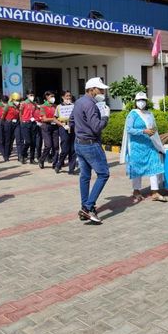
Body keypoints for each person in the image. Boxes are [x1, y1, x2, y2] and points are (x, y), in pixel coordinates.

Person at [71, 77, 111, 224]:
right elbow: (97, 127)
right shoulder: (91, 104)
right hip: (90, 144)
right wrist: (105, 117)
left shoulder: (79, 102)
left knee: (85, 176)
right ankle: (87, 208)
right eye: (100, 89)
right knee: (103, 174)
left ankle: (85, 206)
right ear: (92, 89)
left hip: (79, 143)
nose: (102, 91)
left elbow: (71, 121)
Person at [121, 92, 167, 203]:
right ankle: (136, 191)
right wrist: (143, 131)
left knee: (154, 167)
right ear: (135, 102)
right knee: (137, 169)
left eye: (143, 100)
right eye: (139, 100)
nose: (141, 102)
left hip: (149, 145)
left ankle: (155, 192)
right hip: (136, 147)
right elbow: (129, 130)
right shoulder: (132, 114)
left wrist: (153, 131)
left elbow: (153, 127)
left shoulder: (149, 114)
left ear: (146, 102)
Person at [55, 91, 77, 174]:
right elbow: (55, 118)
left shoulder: (74, 106)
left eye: (70, 96)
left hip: (73, 128)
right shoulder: (59, 107)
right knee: (65, 149)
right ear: (63, 97)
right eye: (67, 96)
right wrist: (62, 124)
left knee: (73, 149)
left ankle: (71, 169)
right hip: (63, 128)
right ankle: (59, 164)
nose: (68, 98)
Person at [38, 91, 59, 169]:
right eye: (51, 96)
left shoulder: (56, 106)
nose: (53, 98)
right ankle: (41, 159)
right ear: (47, 97)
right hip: (46, 127)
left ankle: (55, 162)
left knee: (56, 146)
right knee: (48, 145)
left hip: (55, 127)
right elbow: (44, 119)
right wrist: (53, 119)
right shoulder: (43, 106)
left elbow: (58, 116)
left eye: (53, 96)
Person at [1, 92, 22, 162]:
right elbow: (3, 115)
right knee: (8, 140)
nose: (17, 101)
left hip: (17, 124)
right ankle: (6, 156)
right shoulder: (8, 106)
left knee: (18, 140)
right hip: (8, 123)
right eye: (16, 100)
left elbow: (20, 115)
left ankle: (20, 156)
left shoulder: (19, 106)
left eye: (18, 100)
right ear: (12, 100)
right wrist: (5, 122)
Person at [19, 90, 37, 164]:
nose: (32, 96)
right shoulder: (23, 103)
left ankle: (32, 159)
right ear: (27, 95)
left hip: (32, 123)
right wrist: (21, 121)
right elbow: (20, 113)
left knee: (33, 142)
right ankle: (23, 154)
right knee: (28, 141)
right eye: (30, 95)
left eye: (33, 95)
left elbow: (35, 113)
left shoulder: (34, 104)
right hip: (25, 123)